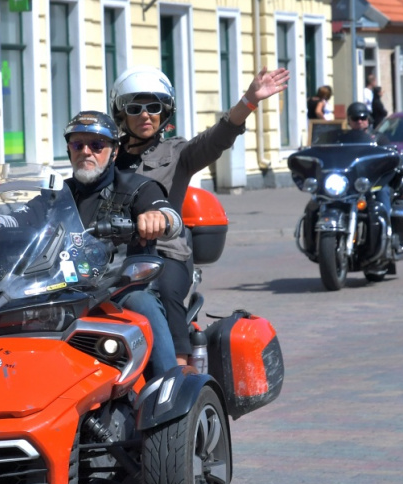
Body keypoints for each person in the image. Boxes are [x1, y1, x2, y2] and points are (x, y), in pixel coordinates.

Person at [110, 65, 289, 366]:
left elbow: (217, 138)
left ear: (165, 112)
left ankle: (180, 368)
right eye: (135, 107)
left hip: (165, 252)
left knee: (165, 291)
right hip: (113, 252)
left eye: (154, 107)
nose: (145, 115)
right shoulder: (106, 154)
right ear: (121, 112)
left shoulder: (178, 153)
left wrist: (249, 101)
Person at [62, 111, 183, 375]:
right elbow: (24, 218)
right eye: (77, 144)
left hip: (120, 289)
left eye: (96, 145)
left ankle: (169, 384)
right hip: (65, 289)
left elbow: (171, 218)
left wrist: (158, 218)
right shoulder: (59, 194)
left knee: (143, 304)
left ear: (114, 151)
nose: (86, 152)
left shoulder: (138, 187)